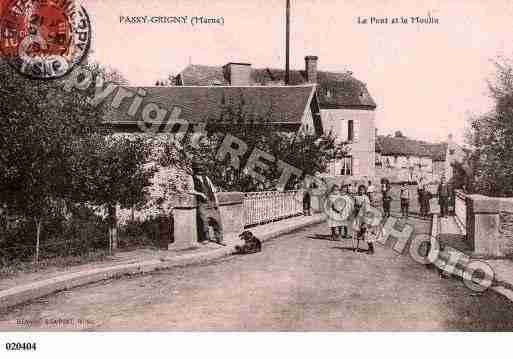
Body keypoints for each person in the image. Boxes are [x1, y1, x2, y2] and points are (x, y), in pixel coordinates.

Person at [188, 161, 225, 245]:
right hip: (202, 203)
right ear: (195, 170)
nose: (200, 171)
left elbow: (213, 190)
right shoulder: (191, 178)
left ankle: (220, 239)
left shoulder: (206, 178)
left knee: (217, 220)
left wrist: (216, 201)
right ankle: (205, 238)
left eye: (201, 169)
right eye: (198, 169)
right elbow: (190, 190)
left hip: (211, 201)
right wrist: (200, 194)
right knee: (203, 221)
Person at [353, 184, 374, 254]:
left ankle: (371, 248)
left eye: (362, 190)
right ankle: (357, 247)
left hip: (365, 218)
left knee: (366, 233)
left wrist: (366, 221)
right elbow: (354, 207)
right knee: (358, 233)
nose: (361, 191)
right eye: (360, 190)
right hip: (358, 218)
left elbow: (367, 209)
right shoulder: (356, 197)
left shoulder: (366, 198)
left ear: (365, 191)